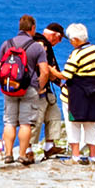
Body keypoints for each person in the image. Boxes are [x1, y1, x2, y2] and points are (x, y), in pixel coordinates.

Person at [0, 15, 56, 166]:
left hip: (10, 88)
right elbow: (44, 71)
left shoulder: (7, 44)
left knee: (9, 122)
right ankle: (22, 154)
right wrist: (39, 86)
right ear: (33, 28)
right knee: (25, 123)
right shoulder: (36, 46)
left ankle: (9, 154)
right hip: (28, 88)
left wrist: (5, 84)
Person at [62, 23, 95, 164]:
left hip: (75, 94)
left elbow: (67, 74)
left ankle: (76, 156)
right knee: (90, 124)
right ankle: (92, 156)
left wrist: (51, 71)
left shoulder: (77, 54)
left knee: (73, 124)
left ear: (75, 39)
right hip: (93, 92)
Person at [35, 22, 69, 160]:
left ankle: (50, 146)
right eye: (60, 39)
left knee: (54, 115)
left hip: (47, 88)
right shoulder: (42, 44)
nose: (59, 42)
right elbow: (47, 67)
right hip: (38, 88)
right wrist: (57, 76)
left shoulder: (39, 42)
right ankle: (29, 149)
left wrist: (60, 84)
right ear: (55, 35)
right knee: (36, 120)